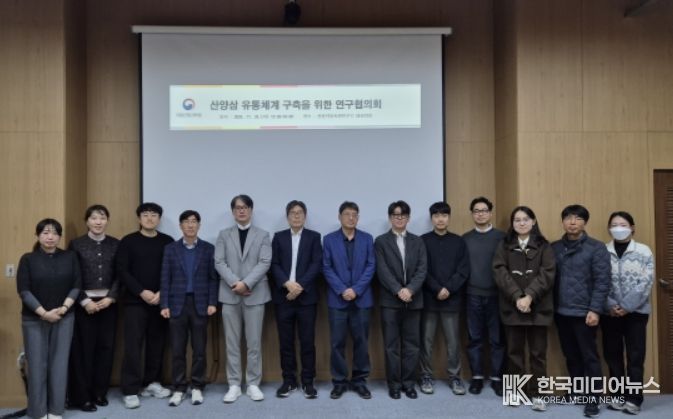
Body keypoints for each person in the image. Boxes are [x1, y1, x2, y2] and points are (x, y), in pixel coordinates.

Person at [17, 218, 81, 419]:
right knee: (36, 365)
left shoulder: (70, 257)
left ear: (60, 236)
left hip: (64, 317)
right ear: (37, 236)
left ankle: (55, 411)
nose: (50, 237)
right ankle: (38, 412)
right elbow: (24, 290)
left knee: (59, 365)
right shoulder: (28, 259)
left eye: (54, 233)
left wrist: (63, 309)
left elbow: (77, 285)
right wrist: (44, 313)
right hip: (34, 320)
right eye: (45, 233)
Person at [493, 206, 555, 411]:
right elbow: (500, 272)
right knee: (514, 353)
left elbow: (547, 274)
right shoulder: (504, 245)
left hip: (539, 308)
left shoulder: (544, 246)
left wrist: (529, 296)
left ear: (533, 221)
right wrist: (517, 297)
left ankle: (539, 394)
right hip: (512, 306)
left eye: (525, 219)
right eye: (517, 220)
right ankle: (515, 391)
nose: (521, 223)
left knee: (538, 354)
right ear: (512, 224)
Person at [551, 204, 610, 417]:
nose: (572, 222)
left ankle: (593, 398)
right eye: (568, 218)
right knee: (571, 355)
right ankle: (576, 391)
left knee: (589, 357)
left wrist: (595, 309)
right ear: (563, 222)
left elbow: (602, 281)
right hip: (561, 311)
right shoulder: (555, 247)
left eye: (577, 218)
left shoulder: (597, 248)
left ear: (585, 222)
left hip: (585, 312)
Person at [215, 194, 272, 403]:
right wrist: (236, 284)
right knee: (231, 343)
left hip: (255, 294)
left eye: (245, 207)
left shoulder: (263, 235)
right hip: (229, 295)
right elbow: (219, 262)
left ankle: (253, 384)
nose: (241, 210)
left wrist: (246, 284)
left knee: (254, 342)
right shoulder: (223, 235)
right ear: (233, 211)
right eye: (238, 207)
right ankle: (234, 384)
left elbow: (264, 262)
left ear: (251, 210)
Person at [117, 202, 174, 409]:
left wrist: (161, 293)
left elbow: (173, 270)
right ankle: (130, 390)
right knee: (133, 346)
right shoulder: (128, 241)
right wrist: (142, 292)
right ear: (139, 218)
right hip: (135, 302)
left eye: (154, 215)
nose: (150, 218)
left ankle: (152, 382)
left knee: (157, 344)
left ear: (159, 218)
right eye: (146, 215)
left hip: (160, 301)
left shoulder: (167, 241)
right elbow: (122, 271)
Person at [160, 210, 219, 406]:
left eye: (194, 221)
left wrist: (212, 302)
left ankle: (197, 386)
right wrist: (164, 304)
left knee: (199, 350)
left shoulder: (208, 249)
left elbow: (213, 278)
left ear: (199, 225)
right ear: (181, 226)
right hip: (177, 305)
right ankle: (178, 387)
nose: (190, 225)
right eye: (186, 222)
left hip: (200, 304)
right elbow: (165, 278)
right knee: (178, 350)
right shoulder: (170, 249)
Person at [67, 205, 120, 412]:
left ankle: (100, 392)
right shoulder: (76, 244)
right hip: (84, 305)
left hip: (108, 304)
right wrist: (84, 301)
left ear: (107, 221)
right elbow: (72, 275)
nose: (98, 222)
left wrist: (111, 297)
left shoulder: (116, 244)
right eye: (94, 218)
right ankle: (83, 396)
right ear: (87, 221)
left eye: (102, 218)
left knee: (106, 349)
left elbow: (120, 274)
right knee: (84, 351)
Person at [323, 201, 376, 400]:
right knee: (337, 343)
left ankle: (360, 381)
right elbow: (326, 267)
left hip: (362, 299)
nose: (351, 218)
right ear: (340, 217)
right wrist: (342, 289)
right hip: (338, 300)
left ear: (358, 218)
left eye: (355, 214)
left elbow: (371, 266)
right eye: (347, 214)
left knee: (361, 342)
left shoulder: (367, 239)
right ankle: (339, 382)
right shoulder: (329, 240)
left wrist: (356, 289)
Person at [602, 211, 654, 415]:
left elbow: (646, 282)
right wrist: (611, 305)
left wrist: (626, 306)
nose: (619, 228)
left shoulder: (643, 251)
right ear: (609, 229)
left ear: (632, 227)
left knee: (635, 356)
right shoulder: (602, 251)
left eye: (623, 224)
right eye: (614, 224)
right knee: (612, 355)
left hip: (637, 312)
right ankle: (617, 396)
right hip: (610, 313)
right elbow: (598, 281)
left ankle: (634, 399)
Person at [374, 201, 427, 399]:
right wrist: (398, 290)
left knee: (412, 345)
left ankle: (409, 384)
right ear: (390, 218)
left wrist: (410, 289)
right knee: (391, 346)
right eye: (396, 215)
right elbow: (382, 270)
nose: (399, 218)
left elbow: (422, 269)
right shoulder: (380, 241)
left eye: (403, 215)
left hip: (414, 299)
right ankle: (394, 385)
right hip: (390, 301)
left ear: (408, 218)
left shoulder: (418, 241)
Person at [270, 200, 323, 399]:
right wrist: (287, 284)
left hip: (306, 298)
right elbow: (274, 264)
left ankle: (308, 382)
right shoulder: (278, 237)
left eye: (300, 212)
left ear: (305, 216)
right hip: (283, 297)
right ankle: (289, 381)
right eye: (293, 213)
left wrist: (299, 286)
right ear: (287, 217)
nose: (296, 216)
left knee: (307, 342)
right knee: (286, 342)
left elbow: (316, 264)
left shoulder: (314, 237)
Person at [419, 202, 470, 395]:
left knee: (453, 342)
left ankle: (455, 377)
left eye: (444, 215)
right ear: (431, 218)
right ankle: (426, 375)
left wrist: (448, 288)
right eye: (436, 216)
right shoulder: (422, 241)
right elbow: (421, 269)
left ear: (449, 218)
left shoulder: (459, 241)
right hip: (429, 299)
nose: (440, 219)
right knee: (426, 341)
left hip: (452, 299)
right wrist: (437, 288)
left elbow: (463, 269)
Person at [462, 197, 506, 396]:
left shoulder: (502, 237)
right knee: (475, 338)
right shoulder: (465, 239)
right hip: (472, 295)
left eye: (484, 210)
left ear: (490, 213)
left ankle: (497, 378)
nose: (480, 214)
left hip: (497, 296)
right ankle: (477, 377)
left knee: (497, 339)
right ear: (472, 214)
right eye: (476, 211)